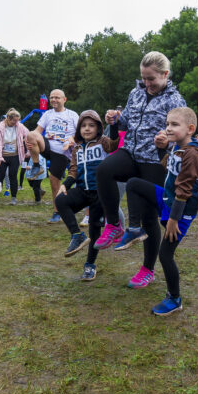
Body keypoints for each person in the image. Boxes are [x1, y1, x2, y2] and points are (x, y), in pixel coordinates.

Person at [121, 108, 198, 314]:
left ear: (190, 129)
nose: (168, 128)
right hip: (167, 198)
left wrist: (173, 220)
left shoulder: (192, 153)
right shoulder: (179, 147)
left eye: (174, 125)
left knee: (165, 255)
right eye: (167, 124)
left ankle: (175, 299)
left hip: (180, 211)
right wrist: (160, 149)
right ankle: (135, 228)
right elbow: (167, 168)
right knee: (134, 184)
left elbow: (184, 190)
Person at [94, 51, 186, 249]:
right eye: (143, 78)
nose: (147, 83)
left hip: (154, 161)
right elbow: (127, 121)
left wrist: (167, 140)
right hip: (130, 152)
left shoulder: (176, 101)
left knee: (148, 218)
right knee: (104, 170)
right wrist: (116, 118)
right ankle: (113, 224)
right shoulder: (135, 93)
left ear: (165, 74)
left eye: (151, 78)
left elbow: (183, 134)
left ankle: (147, 269)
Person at [55, 110, 118, 280]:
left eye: (91, 125)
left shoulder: (103, 142)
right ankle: (77, 235)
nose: (87, 129)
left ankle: (90, 265)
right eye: (83, 126)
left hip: (100, 193)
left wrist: (114, 124)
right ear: (78, 129)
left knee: (95, 229)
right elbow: (73, 170)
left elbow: (114, 144)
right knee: (60, 201)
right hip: (82, 190)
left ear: (99, 128)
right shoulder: (77, 148)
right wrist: (65, 185)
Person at [25, 89, 79, 223]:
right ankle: (37, 166)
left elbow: (79, 134)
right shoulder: (48, 114)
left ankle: (57, 211)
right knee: (31, 135)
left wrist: (71, 139)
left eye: (57, 97)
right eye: (51, 97)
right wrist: (30, 142)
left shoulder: (72, 115)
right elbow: (37, 131)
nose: (54, 100)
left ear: (64, 99)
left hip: (62, 151)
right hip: (47, 146)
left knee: (54, 183)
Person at [0, 109, 30, 205]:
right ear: (8, 118)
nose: (16, 122)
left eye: (17, 120)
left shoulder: (19, 126)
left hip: (15, 156)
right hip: (2, 156)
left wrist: (28, 148)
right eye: (14, 120)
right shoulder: (0, 127)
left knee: (13, 176)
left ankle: (13, 198)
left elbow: (28, 134)